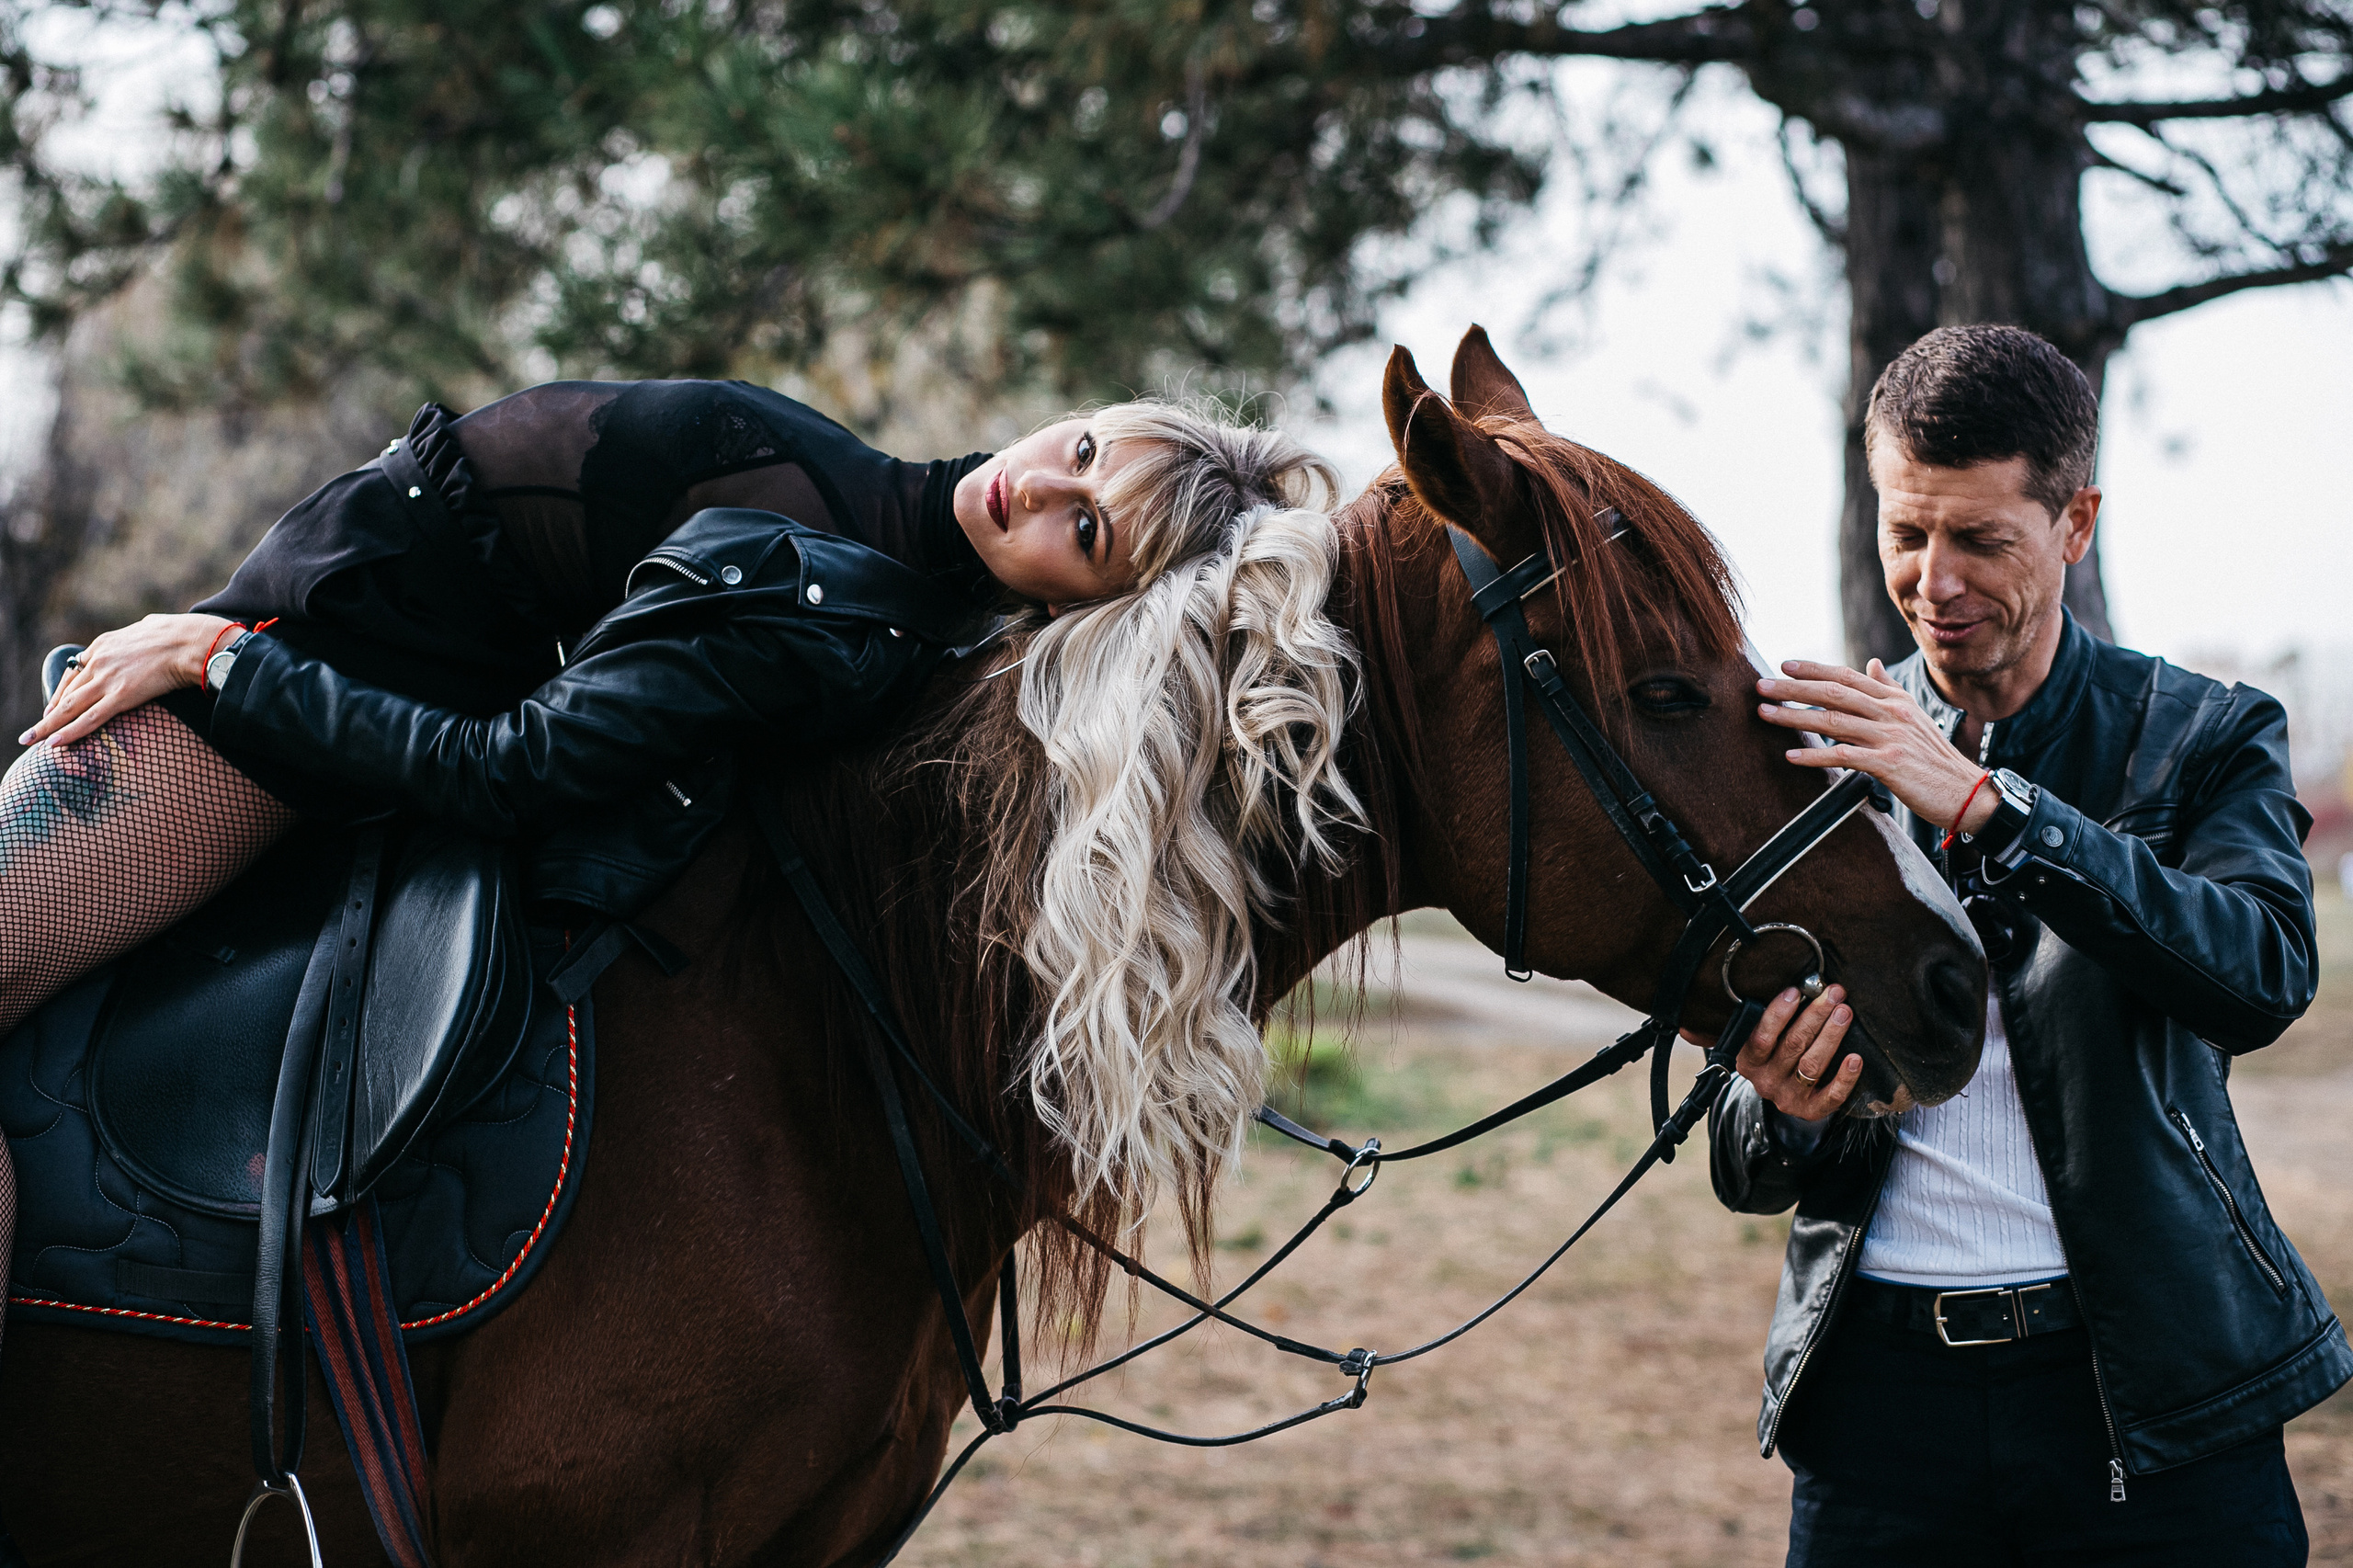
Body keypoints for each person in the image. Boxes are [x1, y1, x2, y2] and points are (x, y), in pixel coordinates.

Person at [1709, 324, 2338, 1564]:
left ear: (2077, 523)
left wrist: (1999, 812)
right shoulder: (1816, 757)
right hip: (1877, 1412)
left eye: (1982, 539)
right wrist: (1774, 1101)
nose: (1934, 580)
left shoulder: (2205, 734)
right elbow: (1746, 1162)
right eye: (1906, 532)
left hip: (2143, 1396)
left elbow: (2261, 974)